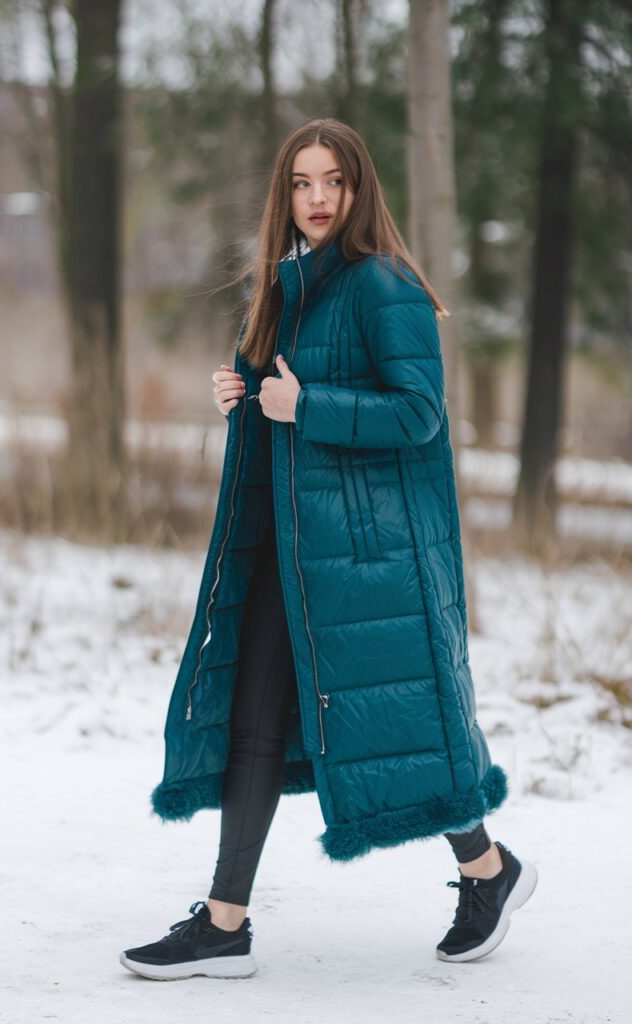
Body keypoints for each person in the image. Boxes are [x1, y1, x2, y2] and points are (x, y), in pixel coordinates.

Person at [120, 118, 537, 982]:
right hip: (288, 545)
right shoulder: (284, 289)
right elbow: (287, 397)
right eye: (303, 182)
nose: (317, 199)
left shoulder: (384, 284)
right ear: (287, 193)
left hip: (366, 555)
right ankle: (226, 922)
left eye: (333, 182)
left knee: (403, 725)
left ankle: (489, 871)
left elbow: (418, 413)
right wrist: (244, 392)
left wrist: (308, 407)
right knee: (255, 719)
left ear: (358, 191)